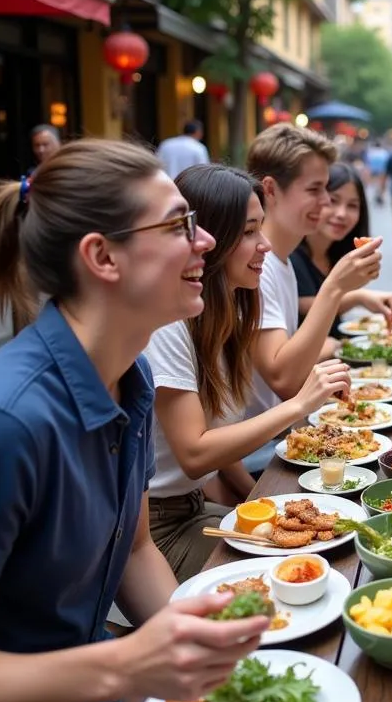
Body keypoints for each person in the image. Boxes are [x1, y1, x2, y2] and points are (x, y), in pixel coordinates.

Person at [0, 140, 269, 702]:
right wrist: (130, 666)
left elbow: (135, 550)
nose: (204, 242)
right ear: (103, 257)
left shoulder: (124, 376)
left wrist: (194, 641)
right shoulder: (1, 422)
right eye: (177, 226)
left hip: (75, 689)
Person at [145, 164, 351, 581]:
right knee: (311, 571)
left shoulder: (229, 311)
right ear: (208, 239)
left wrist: (260, 499)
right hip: (156, 530)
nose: (264, 246)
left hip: (195, 508)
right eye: (249, 232)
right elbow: (196, 453)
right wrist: (298, 406)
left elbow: (223, 451)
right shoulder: (169, 323)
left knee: (334, 537)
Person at [245, 125, 389, 420]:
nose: (325, 202)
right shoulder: (255, 265)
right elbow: (284, 381)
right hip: (263, 453)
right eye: (314, 189)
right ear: (270, 189)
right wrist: (336, 286)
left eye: (326, 188)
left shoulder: (280, 262)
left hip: (282, 434)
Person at [290, 163, 392, 337]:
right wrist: (358, 297)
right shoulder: (291, 253)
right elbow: (303, 305)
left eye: (352, 205)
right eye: (333, 201)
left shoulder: (338, 251)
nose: (341, 214)